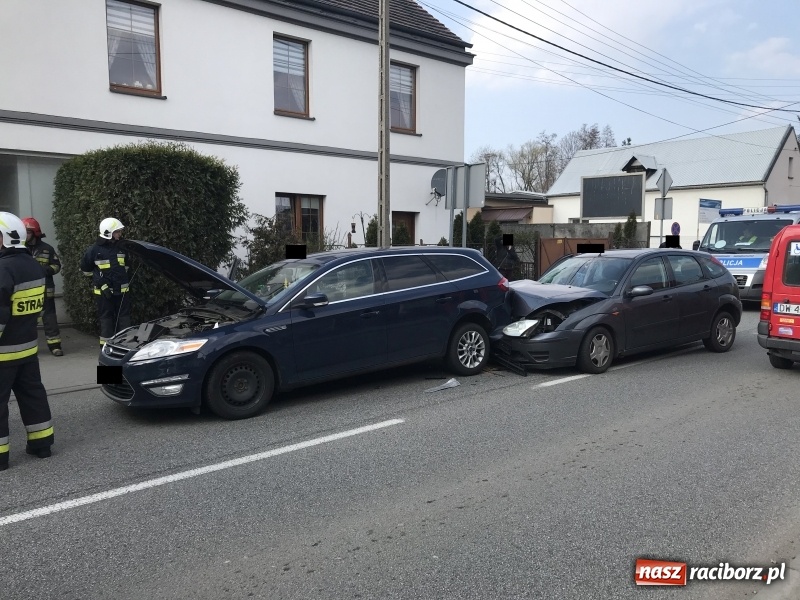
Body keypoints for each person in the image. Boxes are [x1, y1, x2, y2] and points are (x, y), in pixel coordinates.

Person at [0, 212, 55, 470]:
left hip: (3, 354)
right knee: (33, 396)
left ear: (6, 239)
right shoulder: (33, 265)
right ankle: (42, 444)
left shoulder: (3, 269)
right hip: (28, 348)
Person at [80, 217, 131, 345]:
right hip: (104, 293)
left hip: (122, 291)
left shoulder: (122, 247)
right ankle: (106, 349)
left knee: (124, 319)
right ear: (109, 233)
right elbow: (86, 270)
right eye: (117, 232)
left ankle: (124, 347)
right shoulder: (94, 250)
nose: (120, 234)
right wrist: (101, 282)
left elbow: (127, 267)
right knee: (106, 321)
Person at [23, 217, 63, 356]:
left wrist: (45, 270)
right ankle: (27, 348)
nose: (25, 235)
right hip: (27, 292)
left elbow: (57, 266)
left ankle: (55, 346)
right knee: (27, 321)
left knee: (50, 319)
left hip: (46, 290)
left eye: (27, 232)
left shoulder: (47, 249)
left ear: (35, 232)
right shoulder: (20, 249)